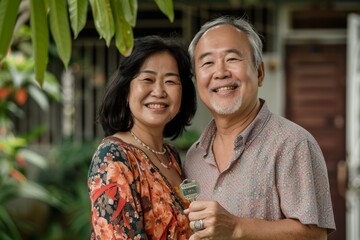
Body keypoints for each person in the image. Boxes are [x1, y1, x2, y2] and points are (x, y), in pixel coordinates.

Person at [183, 16, 336, 239]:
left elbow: (314, 235)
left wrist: (237, 228)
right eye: (207, 63)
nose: (221, 72)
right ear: (197, 81)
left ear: (260, 72)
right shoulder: (193, 157)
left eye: (232, 58)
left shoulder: (293, 144)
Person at [88, 35, 197, 239]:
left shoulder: (171, 156)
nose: (159, 91)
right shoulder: (113, 157)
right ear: (126, 90)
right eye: (147, 79)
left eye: (171, 81)